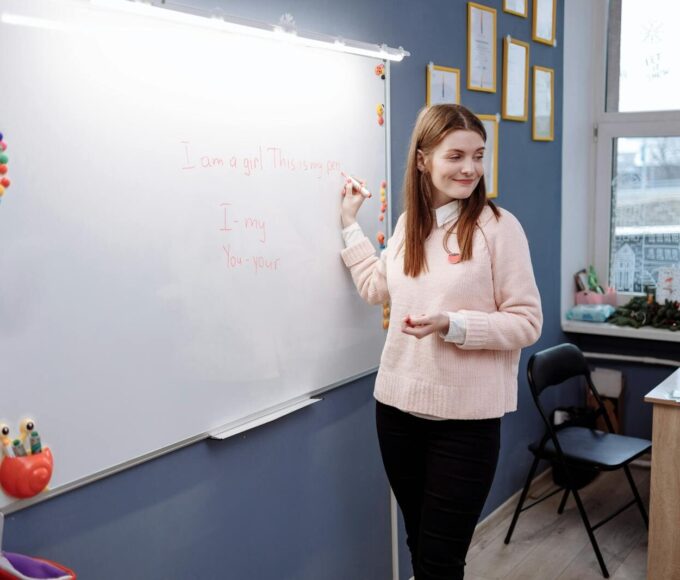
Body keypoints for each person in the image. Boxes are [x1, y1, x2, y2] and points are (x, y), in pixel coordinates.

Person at [339, 104, 542, 580]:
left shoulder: (499, 227)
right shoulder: (411, 223)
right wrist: (350, 224)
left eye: (478, 155)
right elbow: (376, 288)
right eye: (455, 156)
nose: (470, 168)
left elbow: (527, 322)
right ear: (423, 159)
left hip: (466, 424)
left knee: (441, 560)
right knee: (418, 543)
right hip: (396, 409)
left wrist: (453, 324)